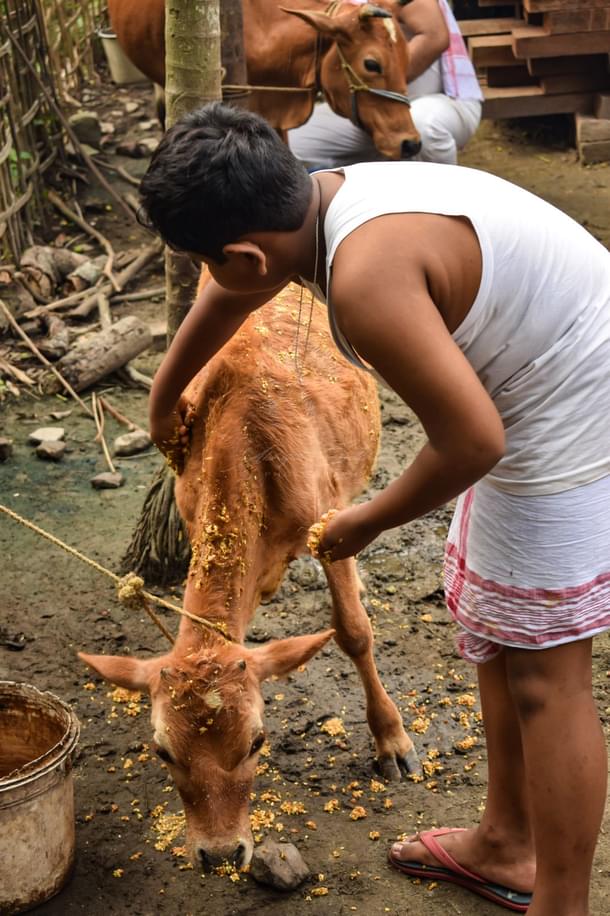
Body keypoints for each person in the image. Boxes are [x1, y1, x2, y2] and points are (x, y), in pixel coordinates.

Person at [139, 102, 610, 916]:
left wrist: (368, 519)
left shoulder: (363, 282)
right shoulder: (322, 198)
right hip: (533, 377)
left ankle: (559, 901)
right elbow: (233, 297)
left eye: (206, 263)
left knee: (546, 675)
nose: (213, 280)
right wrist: (164, 393)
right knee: (496, 635)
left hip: (572, 402)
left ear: (245, 253)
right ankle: (504, 843)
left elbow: (471, 444)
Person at [289, 0, 483, 168]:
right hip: (374, 107)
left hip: (445, 101)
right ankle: (378, 185)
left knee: (424, 124)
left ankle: (444, 204)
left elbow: (434, 36)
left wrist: (381, 81)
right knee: (293, 143)